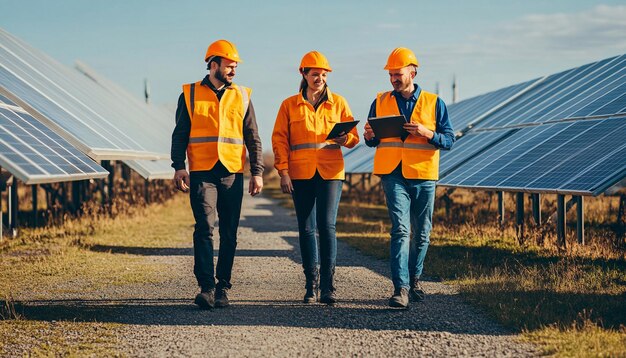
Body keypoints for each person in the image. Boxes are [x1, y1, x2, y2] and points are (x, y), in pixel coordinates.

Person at [171, 39, 264, 309]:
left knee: (230, 232)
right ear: (214, 65)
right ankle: (207, 287)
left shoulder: (243, 95)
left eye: (235, 67)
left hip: (232, 173)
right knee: (204, 228)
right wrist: (179, 166)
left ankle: (223, 286)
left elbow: (253, 137)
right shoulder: (189, 94)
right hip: (201, 171)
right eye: (229, 66)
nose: (233, 71)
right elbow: (180, 134)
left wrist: (257, 172)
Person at [364, 47, 455, 308]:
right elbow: (374, 139)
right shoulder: (380, 101)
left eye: (398, 73)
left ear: (412, 72)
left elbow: (449, 140)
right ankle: (400, 288)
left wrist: (428, 133)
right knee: (401, 230)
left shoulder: (435, 102)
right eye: (391, 74)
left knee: (422, 234)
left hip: (424, 175)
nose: (393, 78)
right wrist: (369, 137)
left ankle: (415, 279)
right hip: (392, 173)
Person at [272, 51, 359, 305]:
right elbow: (279, 139)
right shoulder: (289, 105)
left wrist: (346, 138)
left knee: (327, 226)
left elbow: (353, 138)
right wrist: (283, 171)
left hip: (331, 172)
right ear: (304, 74)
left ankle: (328, 286)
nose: (319, 78)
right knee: (306, 228)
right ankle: (311, 283)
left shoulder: (339, 102)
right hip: (300, 173)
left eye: (323, 74)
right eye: (314, 74)